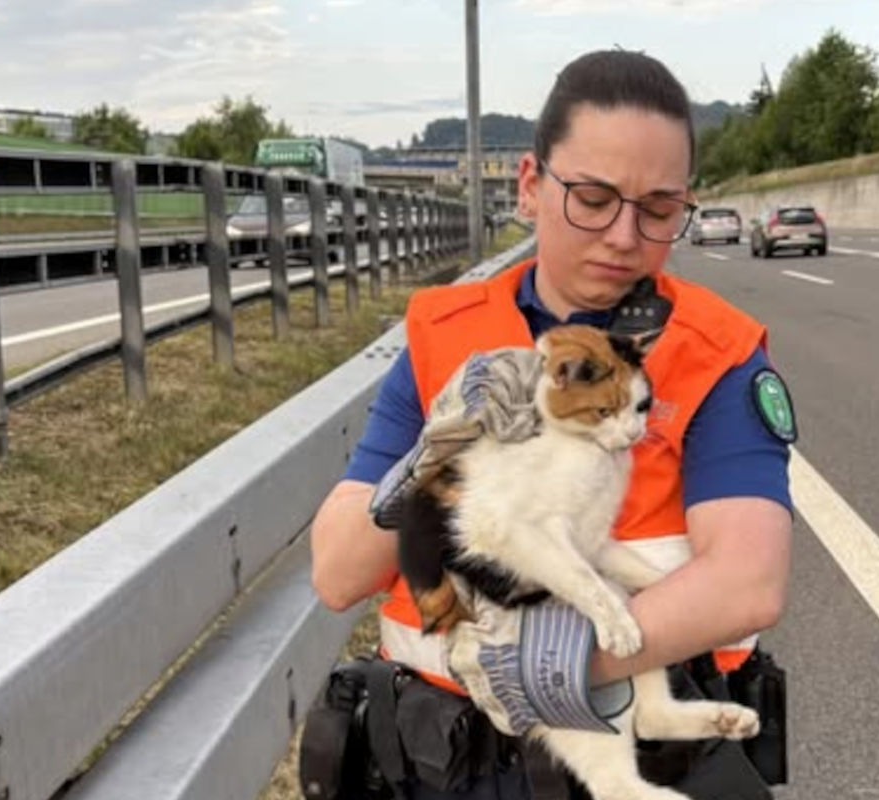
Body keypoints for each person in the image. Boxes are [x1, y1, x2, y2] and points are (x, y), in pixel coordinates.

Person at [310, 48, 793, 799]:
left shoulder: (715, 354)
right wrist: (443, 455)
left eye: (659, 209)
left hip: (633, 753)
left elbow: (748, 584)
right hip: (442, 763)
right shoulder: (446, 338)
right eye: (594, 198)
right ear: (531, 186)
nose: (625, 235)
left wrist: (538, 663)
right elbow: (339, 573)